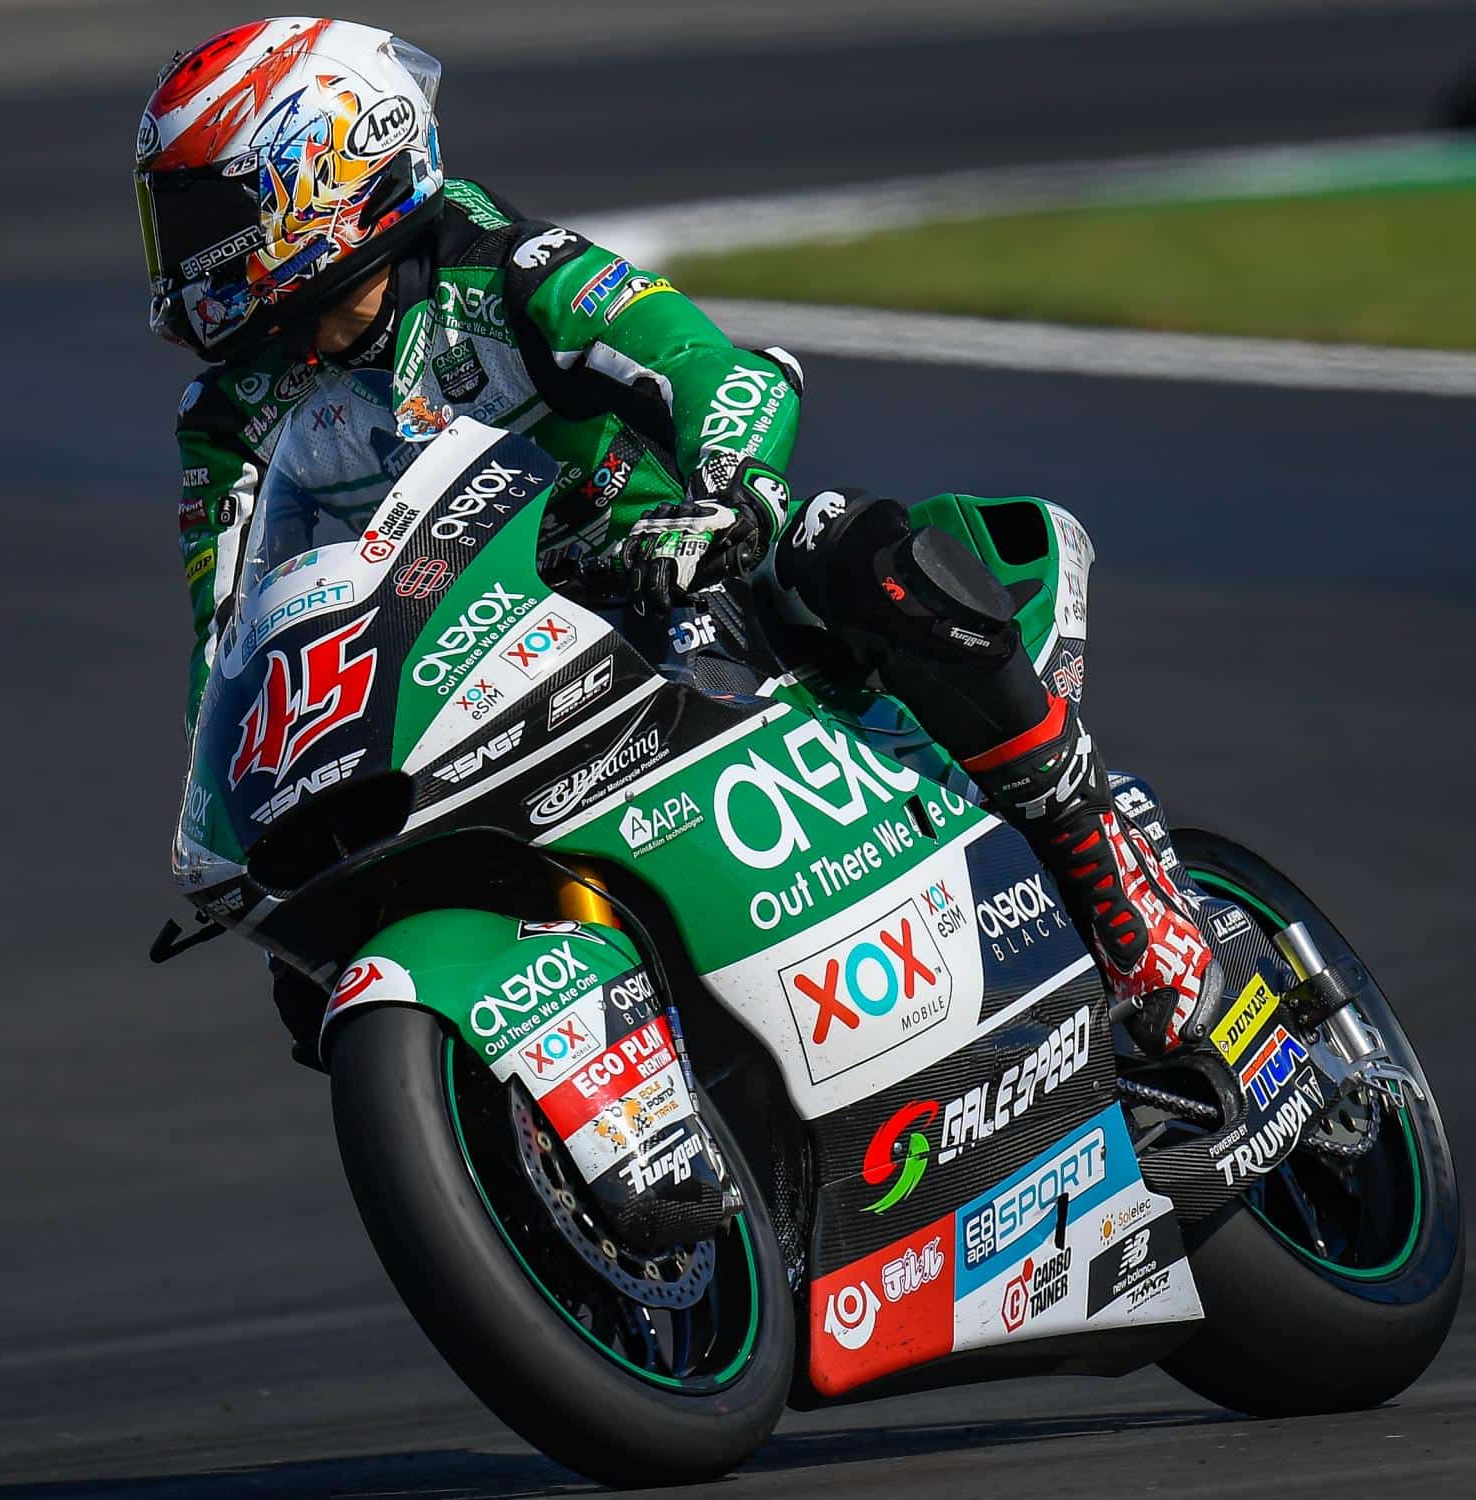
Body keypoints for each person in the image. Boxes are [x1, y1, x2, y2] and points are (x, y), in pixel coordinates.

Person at [137, 17, 1217, 1056]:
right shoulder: (230, 418)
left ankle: (1101, 864)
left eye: (202, 214)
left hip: (674, 576)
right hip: (468, 668)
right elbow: (226, 637)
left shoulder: (503, 269)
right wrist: (234, 807)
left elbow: (713, 367)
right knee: (306, 969)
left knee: (860, 553)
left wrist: (724, 493)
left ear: (321, 173)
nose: (179, 253)